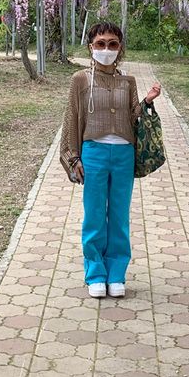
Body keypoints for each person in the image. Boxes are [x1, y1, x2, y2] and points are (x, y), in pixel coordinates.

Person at [60, 22, 162, 299]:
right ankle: (95, 273)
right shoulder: (80, 79)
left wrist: (147, 101)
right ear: (91, 47)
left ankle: (116, 273)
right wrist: (72, 157)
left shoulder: (127, 81)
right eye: (100, 43)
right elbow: (71, 119)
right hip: (93, 152)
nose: (106, 49)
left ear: (120, 48)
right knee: (94, 215)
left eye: (112, 44)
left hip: (123, 154)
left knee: (119, 215)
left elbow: (132, 116)